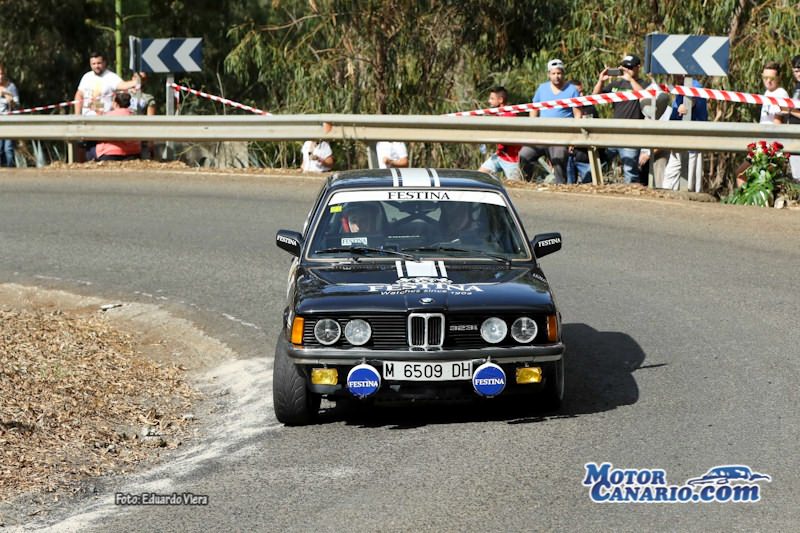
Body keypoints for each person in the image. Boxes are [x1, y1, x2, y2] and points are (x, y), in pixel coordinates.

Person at [519, 59, 582, 184]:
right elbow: (534, 109)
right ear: (549, 74)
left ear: (563, 74)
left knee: (559, 160)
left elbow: (577, 114)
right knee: (524, 155)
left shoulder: (572, 90)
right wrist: (532, 128)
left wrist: (573, 139)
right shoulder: (542, 88)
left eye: (559, 73)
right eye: (553, 73)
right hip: (541, 134)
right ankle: (529, 182)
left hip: (560, 136)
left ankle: (560, 187)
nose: (556, 76)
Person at [74, 52, 140, 161]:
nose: (96, 66)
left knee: (99, 151)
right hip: (86, 120)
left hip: (103, 121)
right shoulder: (86, 77)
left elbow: (123, 85)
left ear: (104, 63)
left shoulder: (111, 77)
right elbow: (79, 94)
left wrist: (135, 82)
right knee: (82, 148)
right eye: (93, 63)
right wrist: (77, 115)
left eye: (99, 63)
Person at [592, 54, 646, 184]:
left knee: (630, 171)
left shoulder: (643, 84)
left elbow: (644, 95)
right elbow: (595, 97)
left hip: (632, 134)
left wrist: (630, 80)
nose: (626, 70)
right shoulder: (616, 84)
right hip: (614, 132)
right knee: (600, 162)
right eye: (624, 67)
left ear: (638, 67)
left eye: (630, 67)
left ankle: (632, 193)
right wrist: (601, 81)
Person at [662, 75, 708, 192]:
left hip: (692, 142)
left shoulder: (695, 85)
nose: (676, 76)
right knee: (670, 175)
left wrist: (687, 105)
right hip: (678, 139)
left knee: (690, 183)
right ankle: (666, 196)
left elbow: (693, 101)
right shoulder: (680, 87)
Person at [478, 86, 522, 181]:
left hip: (511, 159)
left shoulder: (509, 115)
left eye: (492, 99)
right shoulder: (498, 113)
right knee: (480, 175)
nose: (489, 101)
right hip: (499, 155)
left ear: (500, 100)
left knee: (515, 186)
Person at [566, 79, 597, 184]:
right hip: (567, 155)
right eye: (578, 92)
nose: (581, 95)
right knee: (567, 186)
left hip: (585, 156)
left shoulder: (589, 108)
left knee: (589, 185)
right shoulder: (563, 110)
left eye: (582, 91)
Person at [94, 92, 141, 161]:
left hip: (110, 152)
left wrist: (96, 105)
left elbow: (98, 131)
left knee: (89, 149)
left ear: (116, 104)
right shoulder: (134, 116)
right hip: (132, 152)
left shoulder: (107, 116)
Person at [0, 63, 19, 167]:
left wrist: (10, 100)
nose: (0, 76)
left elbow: (17, 105)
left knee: (8, 149)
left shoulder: (11, 87)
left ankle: (11, 171)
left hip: (8, 122)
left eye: (1, 73)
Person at [758, 61, 789, 125]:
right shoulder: (767, 92)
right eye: (765, 78)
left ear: (778, 78)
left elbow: (778, 121)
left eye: (772, 78)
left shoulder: (780, 94)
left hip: (772, 131)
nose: (768, 81)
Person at [788, 56, 800, 180]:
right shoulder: (797, 87)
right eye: (796, 71)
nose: (798, 74)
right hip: (794, 135)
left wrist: (789, 110)